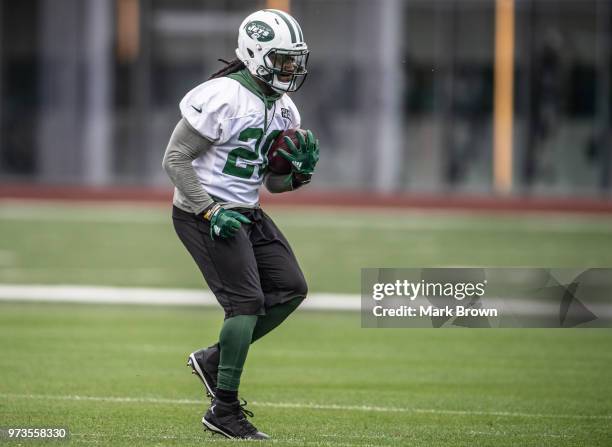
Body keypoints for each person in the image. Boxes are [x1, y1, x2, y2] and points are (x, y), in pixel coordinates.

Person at [162, 9, 319, 440]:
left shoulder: (284, 107)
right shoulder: (223, 96)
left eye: (295, 60)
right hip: (204, 213)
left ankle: (214, 360)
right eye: (284, 60)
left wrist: (298, 176)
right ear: (255, 54)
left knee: (291, 288)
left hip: (246, 210)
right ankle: (224, 410)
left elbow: (271, 182)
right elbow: (174, 160)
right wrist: (210, 210)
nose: (292, 69)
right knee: (245, 303)